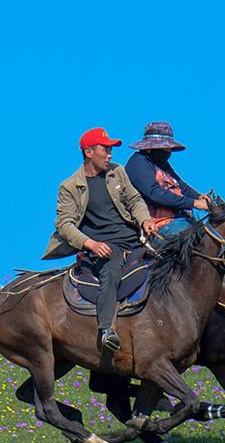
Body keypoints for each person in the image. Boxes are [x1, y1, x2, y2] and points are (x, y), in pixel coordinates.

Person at [42, 127, 158, 352]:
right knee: (111, 272)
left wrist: (145, 220)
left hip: (134, 239)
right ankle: (107, 330)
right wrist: (91, 244)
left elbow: (134, 200)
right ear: (89, 152)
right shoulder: (69, 187)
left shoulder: (117, 172)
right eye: (106, 149)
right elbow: (64, 225)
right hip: (103, 246)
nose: (110, 155)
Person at [124, 121, 210, 239]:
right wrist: (194, 203)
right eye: (165, 148)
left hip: (181, 219)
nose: (168, 151)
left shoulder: (161, 163)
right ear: (149, 148)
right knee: (197, 239)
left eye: (169, 148)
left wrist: (199, 196)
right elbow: (156, 194)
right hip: (158, 225)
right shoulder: (138, 163)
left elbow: (180, 185)